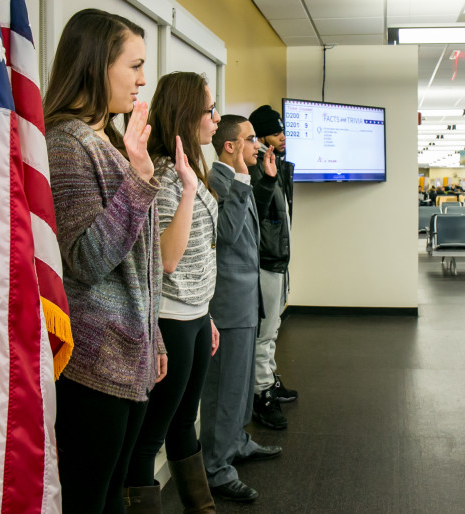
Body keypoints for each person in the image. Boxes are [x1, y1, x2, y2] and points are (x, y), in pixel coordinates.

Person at [44, 9, 166, 513]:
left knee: (113, 496)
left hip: (129, 355)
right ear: (97, 65)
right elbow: (86, 258)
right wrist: (139, 181)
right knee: (90, 502)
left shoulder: (109, 142)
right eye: (134, 66)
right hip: (93, 362)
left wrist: (154, 335)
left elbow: (142, 260)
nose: (142, 79)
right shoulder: (67, 143)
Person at [124, 72, 220, 512]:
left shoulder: (191, 169)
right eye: (209, 110)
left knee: (185, 423)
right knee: (150, 439)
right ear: (186, 114)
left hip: (196, 316)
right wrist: (185, 190)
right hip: (171, 320)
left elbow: (204, 251)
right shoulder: (165, 174)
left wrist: (208, 315)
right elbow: (167, 258)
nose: (216, 119)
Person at [199, 115, 281, 502]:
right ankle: (216, 466)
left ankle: (237, 441)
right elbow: (227, 236)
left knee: (242, 386)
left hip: (247, 301)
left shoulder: (240, 182)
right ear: (230, 146)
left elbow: (252, 227)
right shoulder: (217, 182)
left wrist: (262, 182)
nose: (259, 146)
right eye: (251, 140)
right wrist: (247, 182)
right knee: (223, 391)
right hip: (227, 306)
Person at [247, 105, 298, 430]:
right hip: (266, 260)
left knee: (273, 329)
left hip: (279, 259)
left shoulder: (275, 166)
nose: (282, 136)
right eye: (276, 131)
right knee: (264, 334)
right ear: (262, 135)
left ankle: (269, 381)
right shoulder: (257, 167)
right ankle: (261, 394)